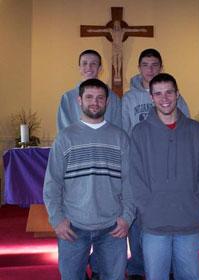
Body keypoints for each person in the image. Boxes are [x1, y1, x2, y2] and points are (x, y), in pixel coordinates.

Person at [44, 79, 135, 280]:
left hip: (113, 227)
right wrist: (57, 220)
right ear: (79, 100)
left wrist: (127, 217)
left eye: (100, 97)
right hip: (73, 226)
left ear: (107, 102)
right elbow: (52, 183)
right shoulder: (65, 138)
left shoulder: (120, 137)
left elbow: (131, 183)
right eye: (89, 97)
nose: (95, 102)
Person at [130, 73, 199, 280]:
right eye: (158, 94)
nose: (164, 98)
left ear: (177, 94)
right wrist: (147, 209)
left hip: (189, 222)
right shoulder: (139, 132)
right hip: (154, 224)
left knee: (190, 276)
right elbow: (135, 177)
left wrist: (197, 206)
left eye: (169, 92)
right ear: (151, 97)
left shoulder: (197, 132)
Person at [122, 48, 190, 279]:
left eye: (154, 65)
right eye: (145, 65)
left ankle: (168, 266)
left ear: (161, 67)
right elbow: (124, 131)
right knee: (138, 218)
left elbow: (186, 131)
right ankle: (138, 266)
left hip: (169, 167)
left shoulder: (174, 96)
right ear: (139, 68)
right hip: (140, 165)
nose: (150, 69)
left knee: (167, 219)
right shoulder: (129, 98)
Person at [57, 49, 121, 132]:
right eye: (84, 63)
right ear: (79, 68)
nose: (89, 67)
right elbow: (64, 131)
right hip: (76, 144)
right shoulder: (67, 98)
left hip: (106, 143)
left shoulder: (113, 97)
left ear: (100, 68)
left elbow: (117, 128)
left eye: (93, 63)